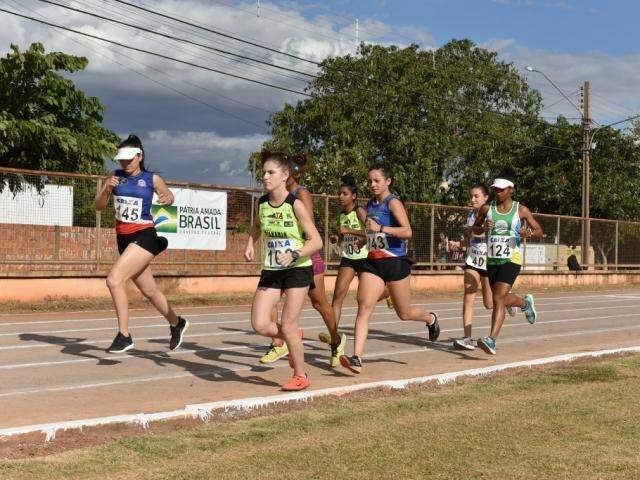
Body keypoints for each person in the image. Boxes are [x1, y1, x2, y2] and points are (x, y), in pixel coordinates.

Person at [340, 164, 440, 374]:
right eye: (370, 181)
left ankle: (430, 319)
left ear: (388, 181)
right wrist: (365, 242)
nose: (372, 184)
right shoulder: (369, 204)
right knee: (364, 306)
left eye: (377, 180)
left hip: (395, 262)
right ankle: (357, 357)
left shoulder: (392, 202)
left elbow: (407, 232)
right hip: (373, 263)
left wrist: (381, 229)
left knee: (404, 313)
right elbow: (374, 235)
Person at [94, 134, 188, 353]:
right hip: (124, 239)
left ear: (139, 156)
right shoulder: (115, 176)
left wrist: (167, 198)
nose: (124, 163)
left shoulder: (151, 178)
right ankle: (177, 323)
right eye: (121, 159)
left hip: (144, 234)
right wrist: (107, 188)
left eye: (129, 159)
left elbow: (169, 195)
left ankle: (124, 335)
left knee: (114, 280)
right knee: (150, 290)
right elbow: (98, 206)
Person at [244, 152, 323, 391]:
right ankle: (291, 338)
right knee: (259, 323)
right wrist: (250, 243)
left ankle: (300, 375)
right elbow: (257, 227)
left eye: (271, 173)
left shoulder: (295, 205)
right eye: (264, 173)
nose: (265, 177)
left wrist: (295, 254)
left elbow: (316, 241)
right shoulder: (262, 204)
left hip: (297, 270)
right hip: (271, 270)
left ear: (284, 175)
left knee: (288, 325)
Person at [259, 155, 345, 367]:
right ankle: (280, 342)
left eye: (277, 173)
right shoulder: (270, 197)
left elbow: (310, 230)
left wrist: (296, 252)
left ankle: (336, 341)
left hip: (305, 255)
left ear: (291, 175)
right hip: (279, 263)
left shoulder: (300, 194)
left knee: (318, 302)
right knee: (272, 300)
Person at [472, 176, 542, 355]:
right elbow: (475, 228)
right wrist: (484, 228)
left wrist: (528, 233)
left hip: (512, 259)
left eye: (501, 189)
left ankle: (491, 340)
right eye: (495, 189)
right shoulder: (487, 209)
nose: (498, 192)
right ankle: (524, 303)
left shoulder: (521, 210)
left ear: (511, 190)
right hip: (493, 260)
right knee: (500, 298)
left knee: (497, 298)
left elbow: (540, 231)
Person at [328, 176, 393, 346]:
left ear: (353, 196)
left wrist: (349, 230)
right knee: (337, 297)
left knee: (362, 300)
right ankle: (334, 337)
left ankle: (388, 292)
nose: (340, 197)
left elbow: (371, 232)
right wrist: (337, 238)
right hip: (348, 258)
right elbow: (344, 236)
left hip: (365, 258)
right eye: (339, 194)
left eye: (344, 194)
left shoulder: (360, 211)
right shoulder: (342, 215)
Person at [453, 185, 516, 350]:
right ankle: (467, 337)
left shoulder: (493, 213)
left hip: (489, 262)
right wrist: (459, 243)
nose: (472, 199)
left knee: (490, 304)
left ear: (486, 198)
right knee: (468, 297)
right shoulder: (470, 215)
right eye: (471, 196)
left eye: (476, 196)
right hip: (473, 261)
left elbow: (500, 236)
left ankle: (509, 301)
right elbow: (472, 237)